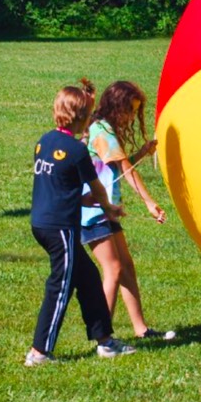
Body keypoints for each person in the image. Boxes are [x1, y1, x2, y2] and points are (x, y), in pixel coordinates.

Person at [27, 84, 137, 366]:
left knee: (88, 279)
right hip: (61, 229)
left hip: (42, 222)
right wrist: (109, 208)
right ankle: (40, 352)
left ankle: (106, 342)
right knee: (60, 286)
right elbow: (98, 189)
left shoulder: (44, 141)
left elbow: (64, 190)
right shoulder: (77, 151)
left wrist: (90, 202)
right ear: (81, 117)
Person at [81, 81, 175, 340]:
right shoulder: (102, 131)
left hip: (105, 209)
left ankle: (141, 329)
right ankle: (103, 337)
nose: (132, 117)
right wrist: (148, 201)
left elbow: (117, 165)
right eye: (130, 110)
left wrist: (141, 154)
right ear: (116, 106)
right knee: (113, 269)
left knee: (126, 267)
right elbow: (124, 169)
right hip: (93, 210)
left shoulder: (104, 128)